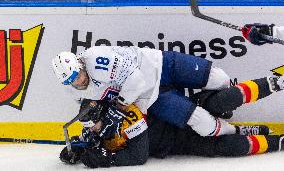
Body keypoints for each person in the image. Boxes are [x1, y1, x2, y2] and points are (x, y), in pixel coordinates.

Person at [52, 45, 284, 138]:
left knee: (221, 79)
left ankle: (213, 102)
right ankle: (238, 131)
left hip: (159, 64)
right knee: (204, 125)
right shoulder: (73, 91)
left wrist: (119, 106)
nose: (79, 82)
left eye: (78, 75)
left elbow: (137, 78)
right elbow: (87, 113)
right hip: (150, 99)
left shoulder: (97, 60)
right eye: (72, 81)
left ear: (80, 63)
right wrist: (91, 131)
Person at [59, 99, 284, 168]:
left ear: (103, 117)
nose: (92, 130)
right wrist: (73, 152)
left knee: (217, 146)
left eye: (93, 125)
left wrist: (106, 160)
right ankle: (245, 130)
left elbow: (139, 156)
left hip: (176, 135)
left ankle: (276, 142)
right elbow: (87, 142)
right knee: (218, 137)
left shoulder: (128, 118)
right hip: (168, 132)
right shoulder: (103, 121)